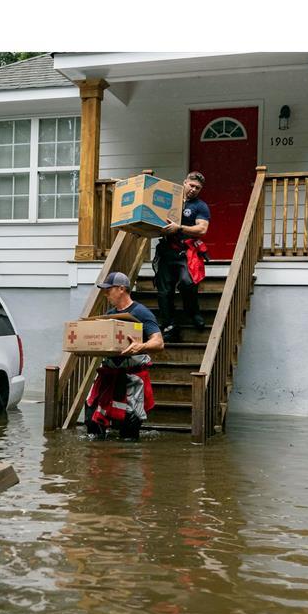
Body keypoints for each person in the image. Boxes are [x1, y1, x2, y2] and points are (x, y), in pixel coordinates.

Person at [84, 271, 164, 440]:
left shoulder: (141, 313)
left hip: (132, 377)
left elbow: (158, 342)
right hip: (109, 375)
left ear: (121, 289)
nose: (106, 294)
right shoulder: (110, 316)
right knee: (92, 421)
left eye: (109, 289)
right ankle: (97, 461)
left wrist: (140, 346)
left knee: (129, 431)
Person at [155, 171, 210, 343]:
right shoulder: (168, 200)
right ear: (184, 182)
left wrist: (179, 228)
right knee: (164, 291)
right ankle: (169, 324)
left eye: (197, 188)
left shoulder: (200, 206)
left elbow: (202, 229)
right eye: (191, 185)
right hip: (165, 251)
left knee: (188, 282)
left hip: (185, 252)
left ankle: (193, 312)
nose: (193, 190)